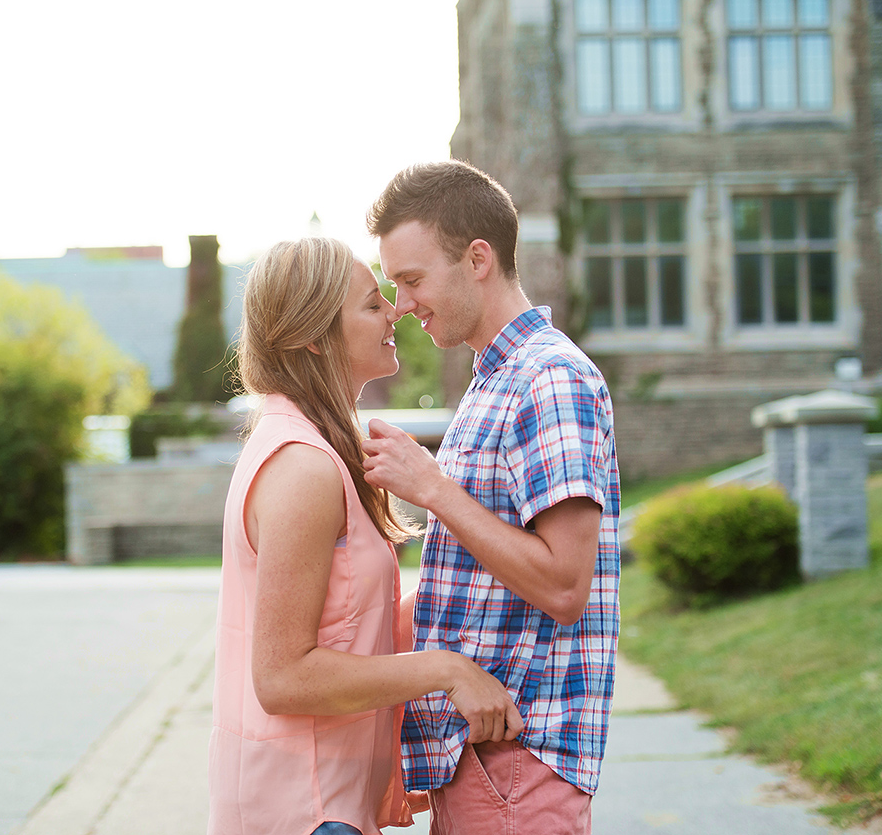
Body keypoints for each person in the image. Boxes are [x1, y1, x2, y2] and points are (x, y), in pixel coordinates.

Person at [208, 237, 524, 835]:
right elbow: (283, 677)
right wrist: (448, 669)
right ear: (312, 332)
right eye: (372, 303)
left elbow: (349, 621)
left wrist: (487, 575)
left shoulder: (316, 447)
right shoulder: (302, 467)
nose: (395, 312)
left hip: (325, 804)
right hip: (303, 809)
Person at [361, 161, 621, 835]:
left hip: (516, 767)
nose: (403, 304)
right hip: (483, 766)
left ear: (478, 259)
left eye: (413, 280)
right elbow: (471, 583)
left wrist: (431, 489)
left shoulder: (550, 380)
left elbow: (564, 586)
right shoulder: (494, 380)